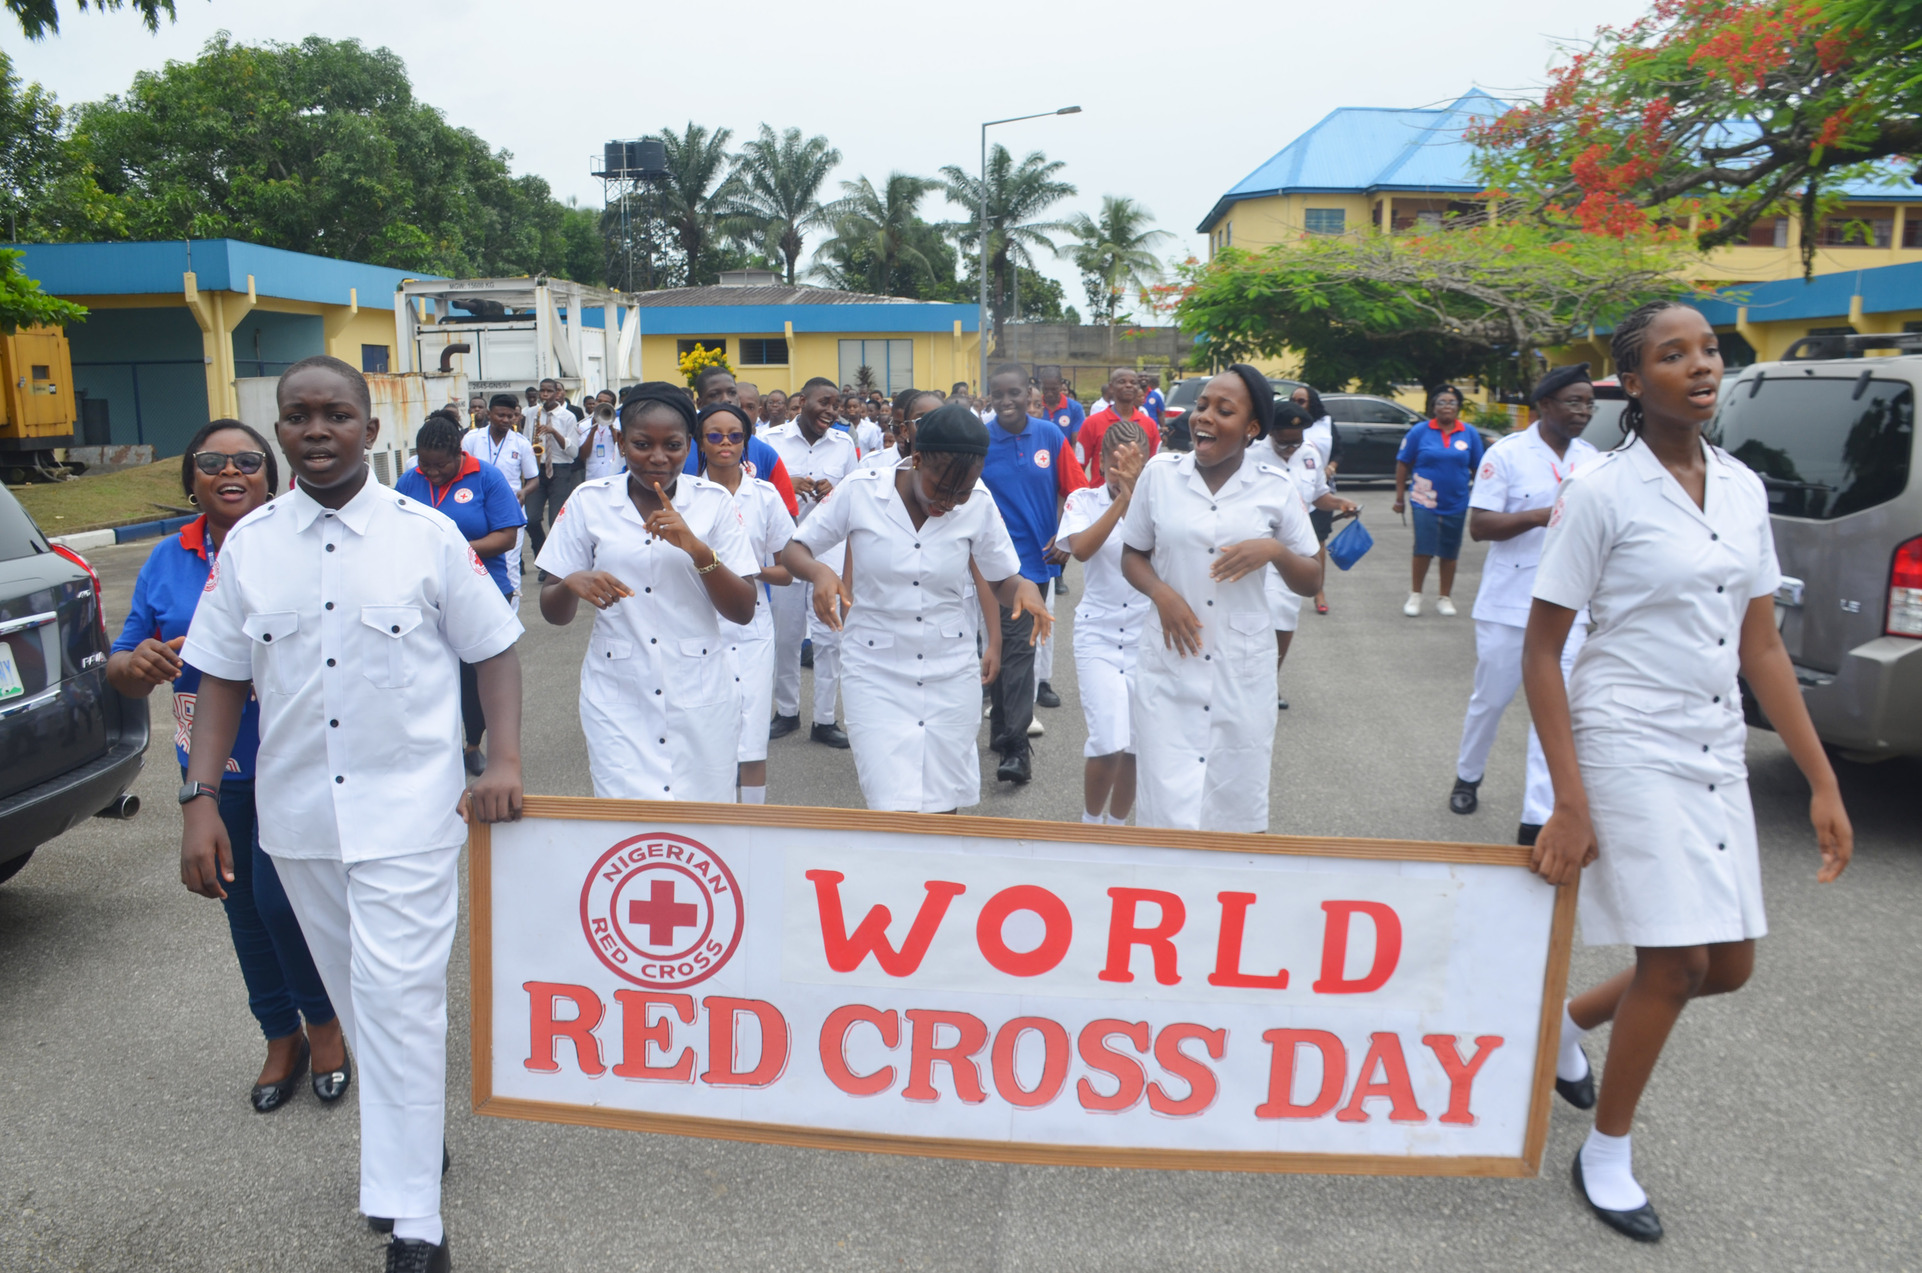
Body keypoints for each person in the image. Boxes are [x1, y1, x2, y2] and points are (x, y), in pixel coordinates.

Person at [181, 355, 526, 1270]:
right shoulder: (250, 544)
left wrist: (505, 757)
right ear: (282, 431)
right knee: (357, 1000)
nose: (318, 429)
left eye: (338, 413)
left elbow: (493, 648)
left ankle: (414, 1222)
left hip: (413, 815)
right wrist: (200, 798)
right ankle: (416, 1141)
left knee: (403, 1000)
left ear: (372, 432)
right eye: (299, 415)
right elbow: (217, 675)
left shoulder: (426, 535)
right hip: (299, 826)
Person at [1524, 301, 1853, 1243]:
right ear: (1633, 382)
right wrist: (1569, 801)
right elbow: (1543, 651)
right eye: (1674, 355)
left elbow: (1763, 649)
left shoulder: (1744, 489)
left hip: (1711, 745)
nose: (1701, 365)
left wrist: (1821, 779)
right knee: (1676, 961)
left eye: (1710, 350)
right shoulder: (1602, 494)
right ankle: (1607, 1151)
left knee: (1731, 965)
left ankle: (1562, 1024)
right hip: (1624, 736)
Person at [108, 420, 344, 1113]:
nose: (230, 470)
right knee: (239, 905)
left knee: (283, 902)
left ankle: (324, 1026)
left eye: (248, 460)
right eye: (212, 461)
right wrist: (139, 661)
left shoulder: (295, 546)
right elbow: (121, 663)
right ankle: (280, 1035)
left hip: (296, 760)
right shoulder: (166, 561)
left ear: (273, 478)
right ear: (191, 480)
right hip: (215, 771)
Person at [783, 403, 1048, 813]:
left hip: (950, 669)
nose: (950, 503)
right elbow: (794, 549)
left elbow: (1000, 579)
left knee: (946, 802)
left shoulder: (976, 501)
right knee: (891, 804)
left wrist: (1024, 588)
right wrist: (819, 573)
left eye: (961, 493)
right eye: (942, 489)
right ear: (917, 460)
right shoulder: (861, 491)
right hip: (875, 671)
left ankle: (940, 878)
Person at [1119, 365, 1320, 832]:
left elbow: (1311, 578)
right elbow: (1133, 555)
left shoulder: (1275, 488)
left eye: (1223, 411)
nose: (1203, 417)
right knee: (1165, 810)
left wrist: (1273, 550)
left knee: (1236, 808)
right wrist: (1162, 593)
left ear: (1252, 429)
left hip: (1241, 671)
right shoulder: (1160, 475)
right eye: (1202, 405)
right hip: (1170, 666)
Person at [537, 383, 758, 800]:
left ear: (690, 445)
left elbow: (743, 609)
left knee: (705, 828)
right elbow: (554, 611)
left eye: (673, 445)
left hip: (701, 694)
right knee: (628, 829)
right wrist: (570, 582)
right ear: (620, 441)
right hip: (619, 697)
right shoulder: (590, 502)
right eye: (641, 444)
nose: (658, 458)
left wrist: (697, 549)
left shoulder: (713, 503)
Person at [1449, 363, 1601, 837]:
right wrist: (1541, 515)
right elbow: (1480, 527)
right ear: (1545, 405)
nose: (1583, 412)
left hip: (1569, 607)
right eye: (1574, 402)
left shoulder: (1593, 459)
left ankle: (1536, 816)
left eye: (1589, 404)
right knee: (1490, 701)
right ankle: (1467, 776)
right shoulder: (1508, 455)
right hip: (1508, 604)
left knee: (1553, 712)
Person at [398, 413, 529, 777]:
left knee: (475, 676)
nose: (432, 472)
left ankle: (473, 745)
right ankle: (433, 745)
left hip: (483, 589)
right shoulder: (411, 479)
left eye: (440, 465)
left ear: (458, 453)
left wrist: (452, 551)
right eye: (425, 464)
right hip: (424, 594)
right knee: (427, 672)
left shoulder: (486, 477)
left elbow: (506, 536)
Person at [979, 363, 1088, 783]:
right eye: (997, 394)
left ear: (1030, 393)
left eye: (1014, 393)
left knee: (1017, 649)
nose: (1006, 402)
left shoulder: (1050, 436)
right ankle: (1013, 743)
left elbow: (1076, 492)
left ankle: (1006, 737)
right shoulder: (982, 440)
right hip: (990, 565)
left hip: (1035, 564)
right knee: (1012, 648)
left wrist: (1065, 539)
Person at [695, 402, 796, 805]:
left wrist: (748, 571)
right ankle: (712, 815)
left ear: (746, 442)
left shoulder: (766, 496)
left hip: (752, 625)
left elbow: (787, 569)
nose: (725, 444)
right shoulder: (685, 496)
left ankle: (754, 819)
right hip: (698, 623)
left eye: (734, 436)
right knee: (704, 729)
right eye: (714, 436)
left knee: (752, 733)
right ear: (699, 443)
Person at [1057, 421, 1149, 825]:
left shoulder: (1161, 504)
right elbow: (1081, 551)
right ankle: (1090, 825)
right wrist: (1122, 499)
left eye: (1130, 465)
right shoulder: (1083, 500)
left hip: (1148, 637)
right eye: (1113, 466)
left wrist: (1140, 496)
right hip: (1099, 635)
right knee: (1108, 741)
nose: (1121, 473)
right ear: (1101, 463)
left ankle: (1118, 827)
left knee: (1135, 746)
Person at [764, 378, 859, 746]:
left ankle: (824, 720)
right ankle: (786, 712)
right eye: (824, 402)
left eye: (836, 405)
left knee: (828, 637)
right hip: (784, 547)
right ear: (802, 401)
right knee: (786, 637)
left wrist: (832, 491)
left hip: (828, 550)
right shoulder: (771, 441)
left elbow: (854, 493)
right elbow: (758, 488)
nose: (831, 411)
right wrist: (786, 482)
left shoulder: (843, 444)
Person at [1261, 402, 1358, 710]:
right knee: (1254, 619)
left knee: (1284, 620)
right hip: (1255, 549)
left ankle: (1269, 683)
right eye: (1284, 441)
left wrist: (1340, 502)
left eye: (1296, 441)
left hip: (1293, 552)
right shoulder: (1248, 453)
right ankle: (1246, 684)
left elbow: (1319, 495)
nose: (1290, 448)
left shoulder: (1310, 454)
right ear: (1270, 432)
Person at [1392, 385, 1485, 617]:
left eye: (1452, 402)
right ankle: (1415, 595)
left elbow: (1478, 468)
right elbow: (1403, 463)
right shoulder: (1419, 432)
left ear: (1458, 408)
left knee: (1450, 550)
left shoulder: (1469, 433)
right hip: (1424, 500)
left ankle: (1445, 597)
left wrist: (1483, 501)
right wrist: (1399, 498)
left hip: (1457, 501)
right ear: (1433, 407)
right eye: (1441, 402)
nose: (1446, 406)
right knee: (1423, 547)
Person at [690, 367, 800, 515]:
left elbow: (789, 516)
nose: (726, 399)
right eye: (715, 394)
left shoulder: (765, 453)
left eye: (732, 393)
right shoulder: (683, 450)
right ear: (700, 403)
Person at [463, 394, 540, 589]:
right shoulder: (472, 439)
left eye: (510, 416)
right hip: (477, 511)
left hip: (509, 513)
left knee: (510, 566)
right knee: (475, 564)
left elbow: (533, 479)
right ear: (489, 414)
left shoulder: (521, 443)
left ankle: (510, 615)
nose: (505, 420)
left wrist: (524, 492)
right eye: (500, 415)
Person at [1291, 384, 1341, 615]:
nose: (1297, 404)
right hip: (1292, 491)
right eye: (1293, 400)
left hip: (1320, 490)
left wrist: (1331, 466)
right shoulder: (1285, 422)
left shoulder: (1326, 424)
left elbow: (1339, 449)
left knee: (1318, 542)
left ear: (1312, 402)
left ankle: (1318, 591)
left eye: (1301, 401)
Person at [522, 378, 581, 566]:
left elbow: (573, 452)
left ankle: (552, 565)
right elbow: (525, 440)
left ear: (557, 393)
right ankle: (541, 556)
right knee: (530, 519)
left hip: (560, 469)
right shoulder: (531, 413)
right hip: (537, 468)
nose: (545, 394)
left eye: (549, 391)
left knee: (556, 521)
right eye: (542, 391)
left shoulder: (567, 417)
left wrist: (554, 432)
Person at [1078, 367, 1162, 484]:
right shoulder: (1091, 423)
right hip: (1102, 498)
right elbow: (1079, 466)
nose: (1128, 386)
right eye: (1122, 382)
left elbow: (1154, 467)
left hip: (1137, 497)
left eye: (1133, 383)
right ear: (1111, 387)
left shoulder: (1149, 424)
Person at [577, 395, 625, 482]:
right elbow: (583, 455)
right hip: (593, 475)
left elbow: (621, 449)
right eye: (599, 401)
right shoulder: (584, 425)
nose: (602, 404)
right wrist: (593, 430)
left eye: (606, 402)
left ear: (613, 406)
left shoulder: (619, 424)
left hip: (614, 473)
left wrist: (612, 428)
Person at [1039, 366, 1084, 439]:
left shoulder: (1075, 408)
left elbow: (1075, 443)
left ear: (1060, 385)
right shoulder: (1034, 408)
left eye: (1054, 389)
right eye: (1046, 389)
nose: (1049, 393)